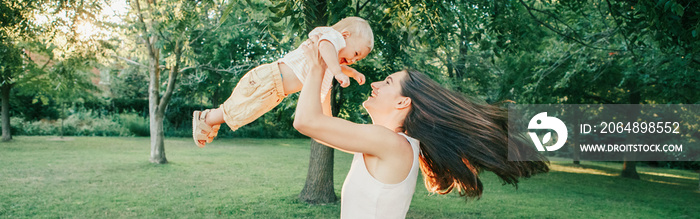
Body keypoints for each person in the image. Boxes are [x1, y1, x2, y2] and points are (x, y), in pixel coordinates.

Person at [293, 40, 549, 218]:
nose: (375, 84)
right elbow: (320, 127)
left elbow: (305, 121)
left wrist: (317, 64)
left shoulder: (389, 142)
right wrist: (328, 71)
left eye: (388, 81)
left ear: (403, 102)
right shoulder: (390, 144)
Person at [192, 17, 374, 147]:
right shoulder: (331, 38)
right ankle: (206, 118)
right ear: (345, 35)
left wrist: (351, 72)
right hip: (270, 79)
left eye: (357, 60)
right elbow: (326, 46)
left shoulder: (328, 63)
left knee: (244, 112)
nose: (352, 60)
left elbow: (338, 64)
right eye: (356, 54)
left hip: (276, 90)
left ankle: (212, 119)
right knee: (240, 108)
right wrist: (337, 71)